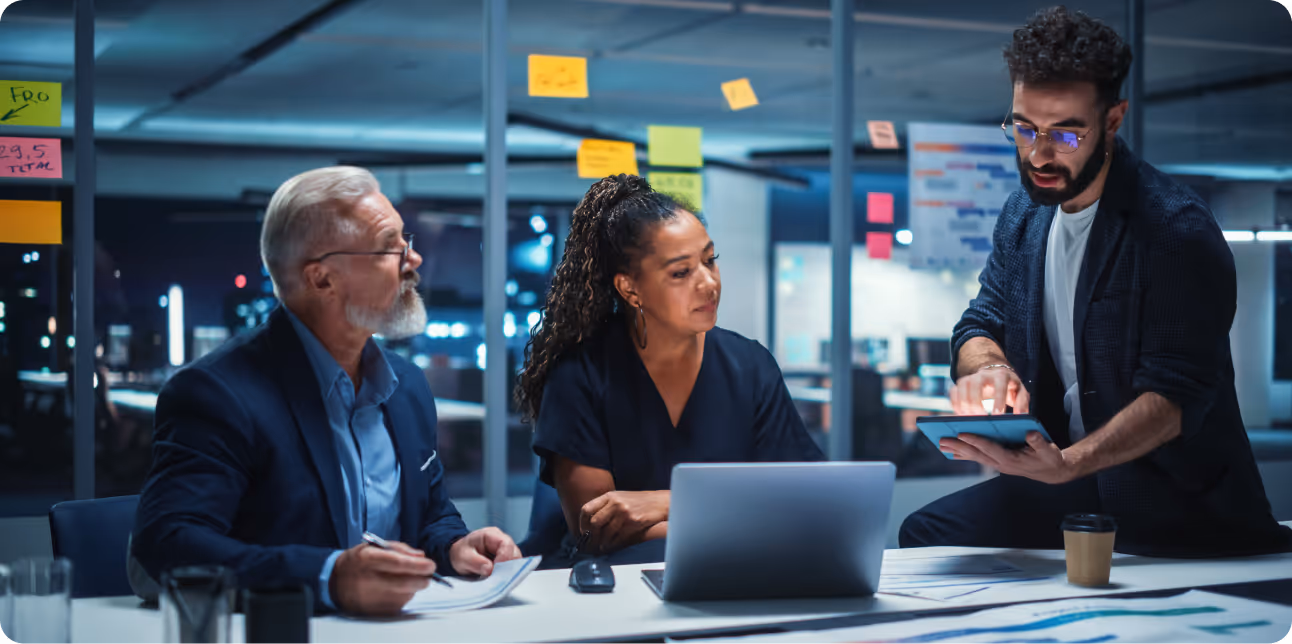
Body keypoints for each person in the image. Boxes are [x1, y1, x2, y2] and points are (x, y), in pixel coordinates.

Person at [900, 7, 1291, 558]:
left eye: (1064, 132)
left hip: (1174, 504)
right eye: (1024, 127)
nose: (1038, 153)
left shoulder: (1176, 230)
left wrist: (1067, 465)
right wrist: (988, 369)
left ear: (1112, 120)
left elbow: (1175, 396)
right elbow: (979, 322)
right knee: (927, 538)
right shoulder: (1023, 216)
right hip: (1074, 488)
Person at [131, 167, 520, 616]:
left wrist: (453, 545)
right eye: (390, 247)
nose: (412, 260)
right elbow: (167, 546)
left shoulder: (406, 385)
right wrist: (329, 576)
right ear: (322, 279)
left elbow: (431, 513)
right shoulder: (217, 394)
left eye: (405, 241)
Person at [516, 175, 824, 565]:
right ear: (630, 289)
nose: (709, 283)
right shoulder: (581, 372)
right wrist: (748, 516)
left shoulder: (750, 365)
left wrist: (667, 502)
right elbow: (596, 531)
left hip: (740, 574)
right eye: (681, 273)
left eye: (710, 260)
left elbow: (808, 496)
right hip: (620, 586)